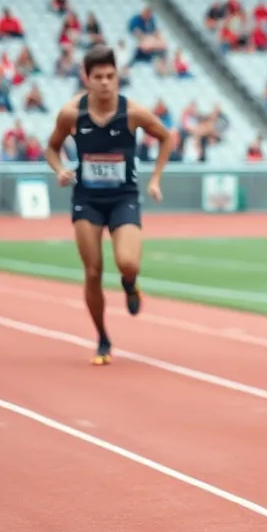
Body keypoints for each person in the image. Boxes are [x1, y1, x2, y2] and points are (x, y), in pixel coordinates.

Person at [45, 45, 175, 365]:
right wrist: (60, 169)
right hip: (87, 200)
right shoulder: (71, 114)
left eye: (111, 76)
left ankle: (130, 284)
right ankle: (102, 338)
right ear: (86, 79)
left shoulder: (132, 113)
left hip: (123, 197)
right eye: (98, 77)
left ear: (118, 77)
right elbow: (52, 148)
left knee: (127, 262)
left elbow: (167, 136)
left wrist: (156, 178)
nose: (105, 83)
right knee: (92, 272)